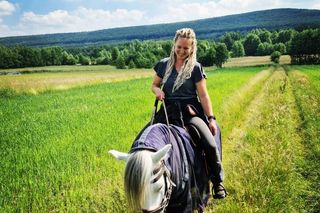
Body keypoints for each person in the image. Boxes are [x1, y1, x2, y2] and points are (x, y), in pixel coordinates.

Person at [151, 28, 227, 199]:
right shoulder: (163, 64)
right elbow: (155, 84)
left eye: (186, 48)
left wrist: (211, 119)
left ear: (192, 48)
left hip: (189, 111)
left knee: (209, 143)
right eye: (179, 47)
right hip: (168, 111)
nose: (181, 51)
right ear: (174, 44)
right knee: (145, 139)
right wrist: (157, 91)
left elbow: (203, 95)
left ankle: (217, 181)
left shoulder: (196, 68)